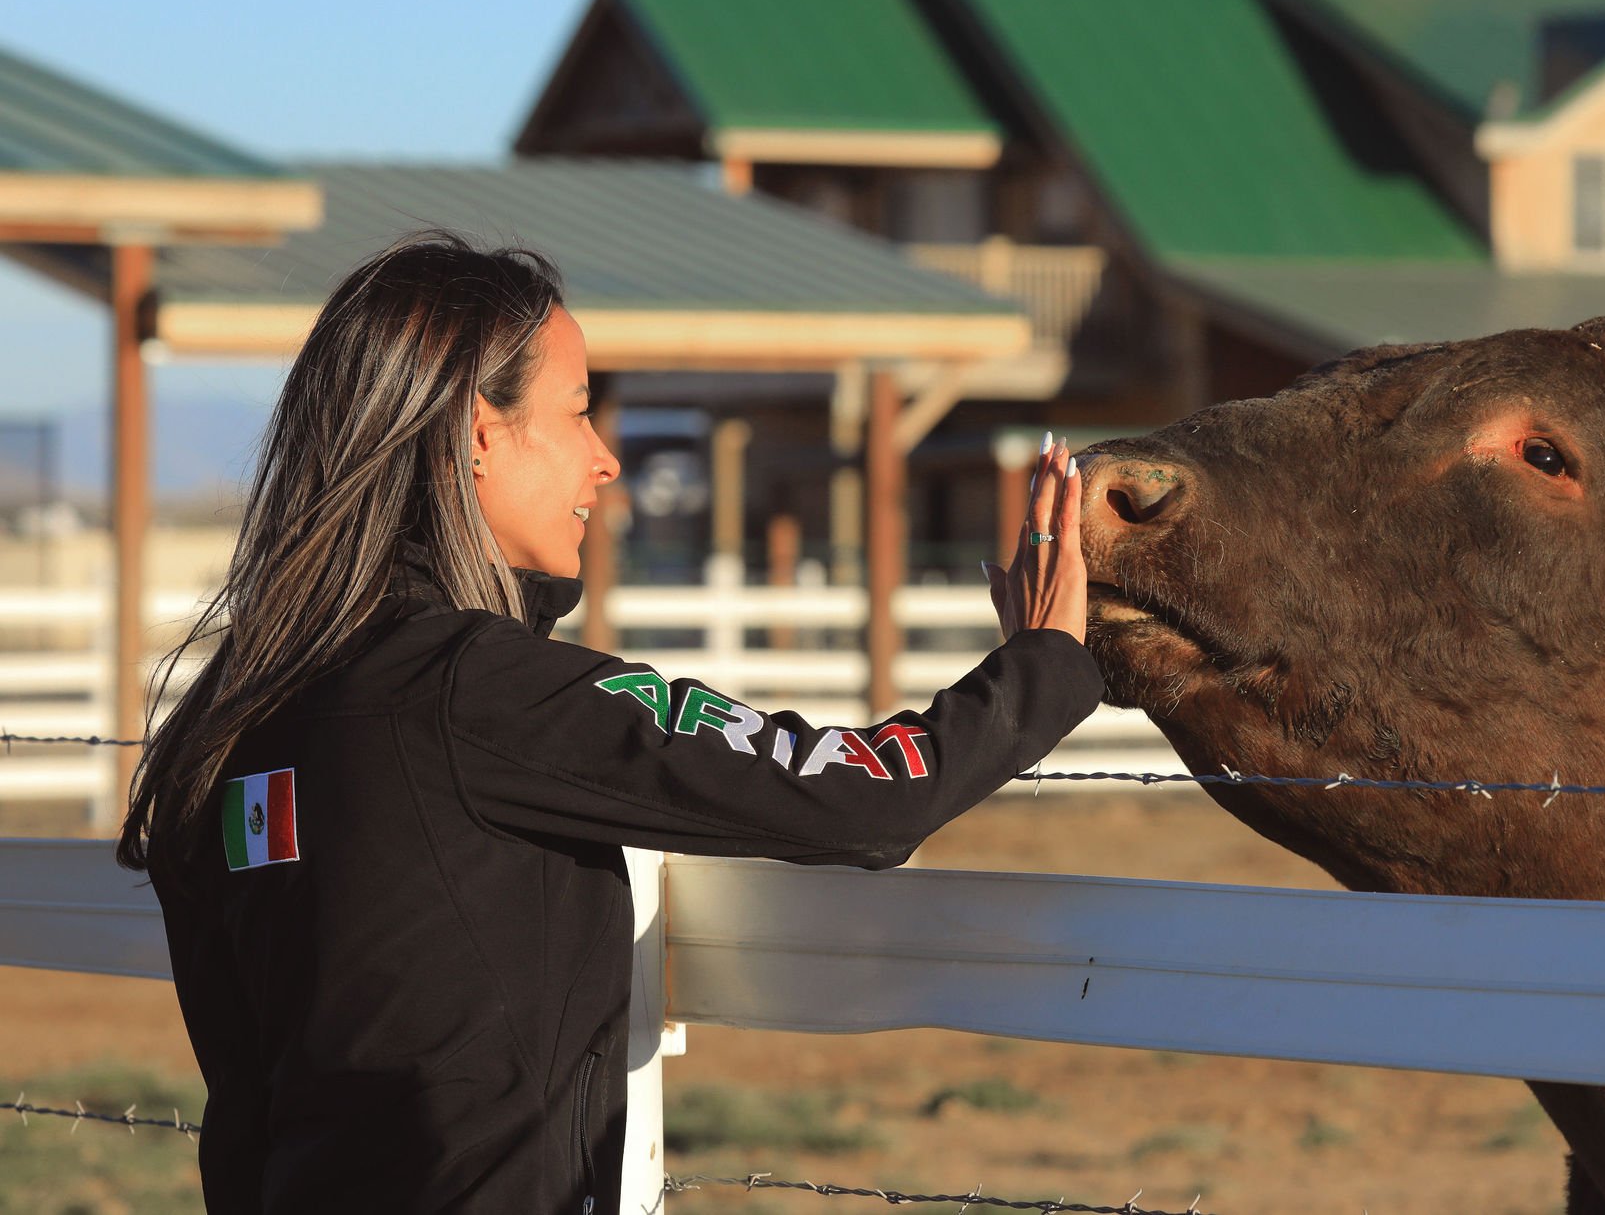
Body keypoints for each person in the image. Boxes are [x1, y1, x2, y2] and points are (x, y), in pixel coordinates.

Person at [117, 232, 1101, 1215]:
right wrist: (1046, 662)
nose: (605, 460)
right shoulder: (478, 693)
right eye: (579, 413)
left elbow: (242, 1119)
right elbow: (859, 797)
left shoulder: (231, 725)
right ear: (476, 432)